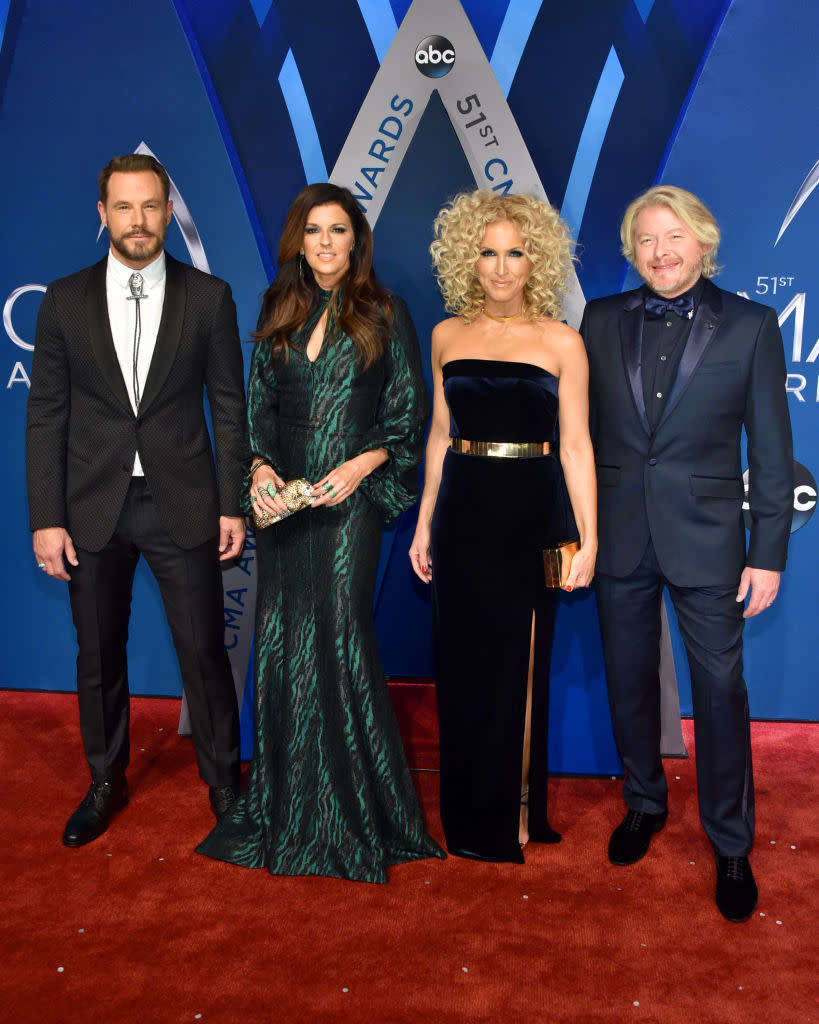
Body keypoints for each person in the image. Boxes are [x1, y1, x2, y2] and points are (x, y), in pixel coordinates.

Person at [197, 183, 444, 882]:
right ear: (297, 242)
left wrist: (360, 467)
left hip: (346, 509)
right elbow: (257, 409)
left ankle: (354, 811)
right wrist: (263, 469)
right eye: (314, 231)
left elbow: (403, 416)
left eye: (338, 230)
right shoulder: (278, 306)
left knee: (337, 639)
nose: (326, 243)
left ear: (355, 240)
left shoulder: (384, 312)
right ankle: (284, 805)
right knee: (278, 640)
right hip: (285, 510)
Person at [580, 185, 793, 921]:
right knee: (629, 680)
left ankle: (730, 842)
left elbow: (770, 451)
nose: (660, 252)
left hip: (708, 542)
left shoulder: (751, 325)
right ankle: (643, 802)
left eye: (673, 237)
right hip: (618, 536)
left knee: (720, 693)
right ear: (630, 251)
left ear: (703, 241)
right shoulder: (599, 319)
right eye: (645, 240)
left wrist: (766, 553)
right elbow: (580, 440)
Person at [26, 153, 247, 847]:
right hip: (93, 506)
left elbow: (229, 410)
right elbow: (46, 416)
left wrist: (232, 503)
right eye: (124, 207)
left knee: (203, 651)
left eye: (151, 206)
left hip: (182, 500)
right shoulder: (63, 301)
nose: (139, 221)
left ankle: (223, 786)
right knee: (97, 654)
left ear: (167, 212)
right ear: (102, 214)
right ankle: (104, 780)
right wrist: (47, 518)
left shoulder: (208, 297)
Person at [409, 190, 597, 863]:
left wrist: (589, 538)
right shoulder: (445, 335)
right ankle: (467, 816)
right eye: (487, 252)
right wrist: (423, 525)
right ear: (467, 258)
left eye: (514, 252)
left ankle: (514, 812)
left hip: (529, 513)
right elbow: (438, 435)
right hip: (460, 512)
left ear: (535, 261)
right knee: (462, 666)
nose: (499, 267)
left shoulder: (560, 341)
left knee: (517, 668)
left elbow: (575, 447)